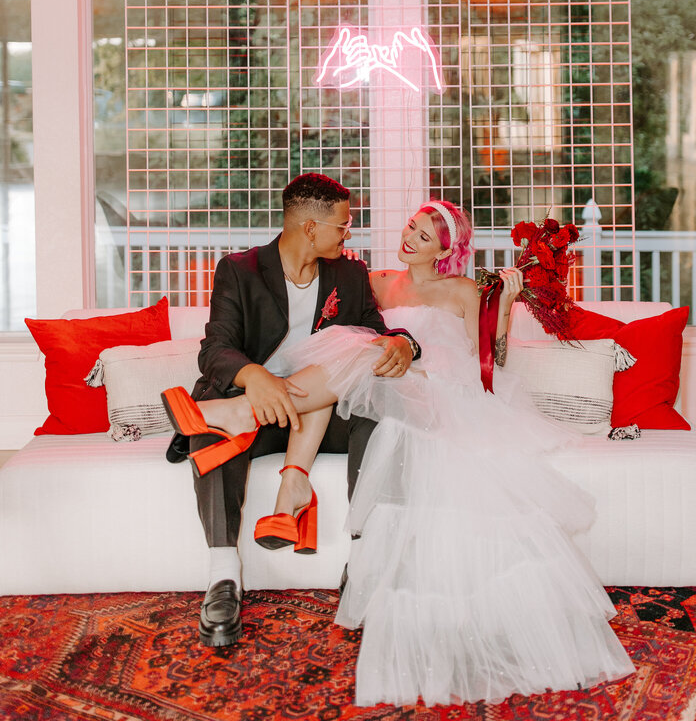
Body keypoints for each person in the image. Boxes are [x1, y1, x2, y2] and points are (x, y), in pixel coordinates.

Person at [165, 200, 634, 706]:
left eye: (426, 236)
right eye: (411, 225)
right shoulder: (371, 279)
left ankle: (264, 450)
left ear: (446, 250)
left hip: (433, 385)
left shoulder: (463, 289)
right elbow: (355, 328)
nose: (411, 237)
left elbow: (485, 360)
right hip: (366, 380)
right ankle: (277, 488)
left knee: (363, 356)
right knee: (353, 349)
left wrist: (505, 310)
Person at [164, 172, 420, 648]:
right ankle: (224, 579)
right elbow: (216, 349)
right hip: (263, 404)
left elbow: (376, 329)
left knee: (378, 410)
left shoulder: (348, 273)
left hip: (319, 416)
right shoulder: (238, 270)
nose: (348, 235)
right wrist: (255, 377)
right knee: (211, 438)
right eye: (342, 226)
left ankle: (363, 564)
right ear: (309, 228)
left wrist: (404, 345)